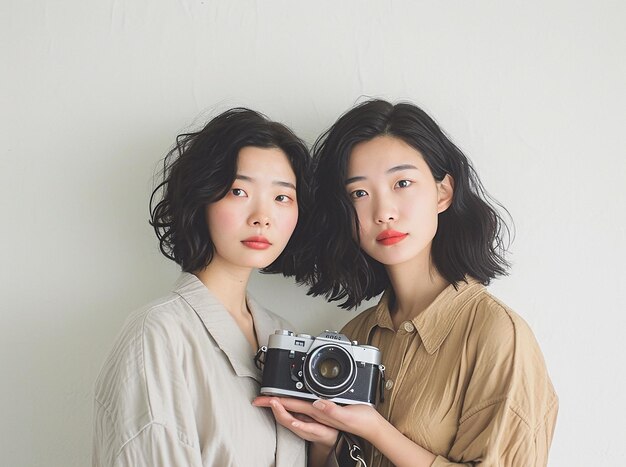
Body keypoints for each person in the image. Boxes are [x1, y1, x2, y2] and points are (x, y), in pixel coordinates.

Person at [254, 100, 558, 466]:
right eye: (359, 194)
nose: (383, 211)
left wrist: (375, 429)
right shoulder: (355, 336)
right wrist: (326, 443)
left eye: (402, 183)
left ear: (443, 192)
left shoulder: (495, 334)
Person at [93, 108, 311, 466]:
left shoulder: (283, 335)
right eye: (239, 191)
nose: (262, 215)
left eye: (282, 197)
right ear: (203, 197)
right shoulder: (157, 334)